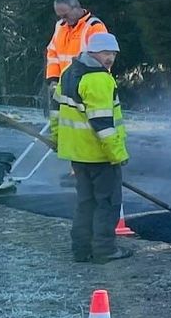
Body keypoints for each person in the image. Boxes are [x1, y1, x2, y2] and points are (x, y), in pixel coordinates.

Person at [54, 31, 131, 264]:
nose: (110, 58)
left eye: (113, 54)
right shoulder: (98, 79)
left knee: (85, 203)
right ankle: (105, 250)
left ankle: (81, 249)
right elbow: (103, 124)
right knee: (107, 203)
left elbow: (56, 113)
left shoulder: (68, 74)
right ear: (93, 52)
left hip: (78, 154)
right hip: (99, 155)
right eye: (105, 53)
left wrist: (57, 139)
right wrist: (117, 154)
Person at [44, 0, 107, 113]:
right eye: (60, 16)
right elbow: (52, 54)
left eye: (65, 15)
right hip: (63, 87)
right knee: (62, 120)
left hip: (85, 89)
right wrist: (53, 79)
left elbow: (103, 60)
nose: (63, 19)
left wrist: (85, 87)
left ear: (77, 8)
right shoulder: (60, 26)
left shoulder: (94, 27)